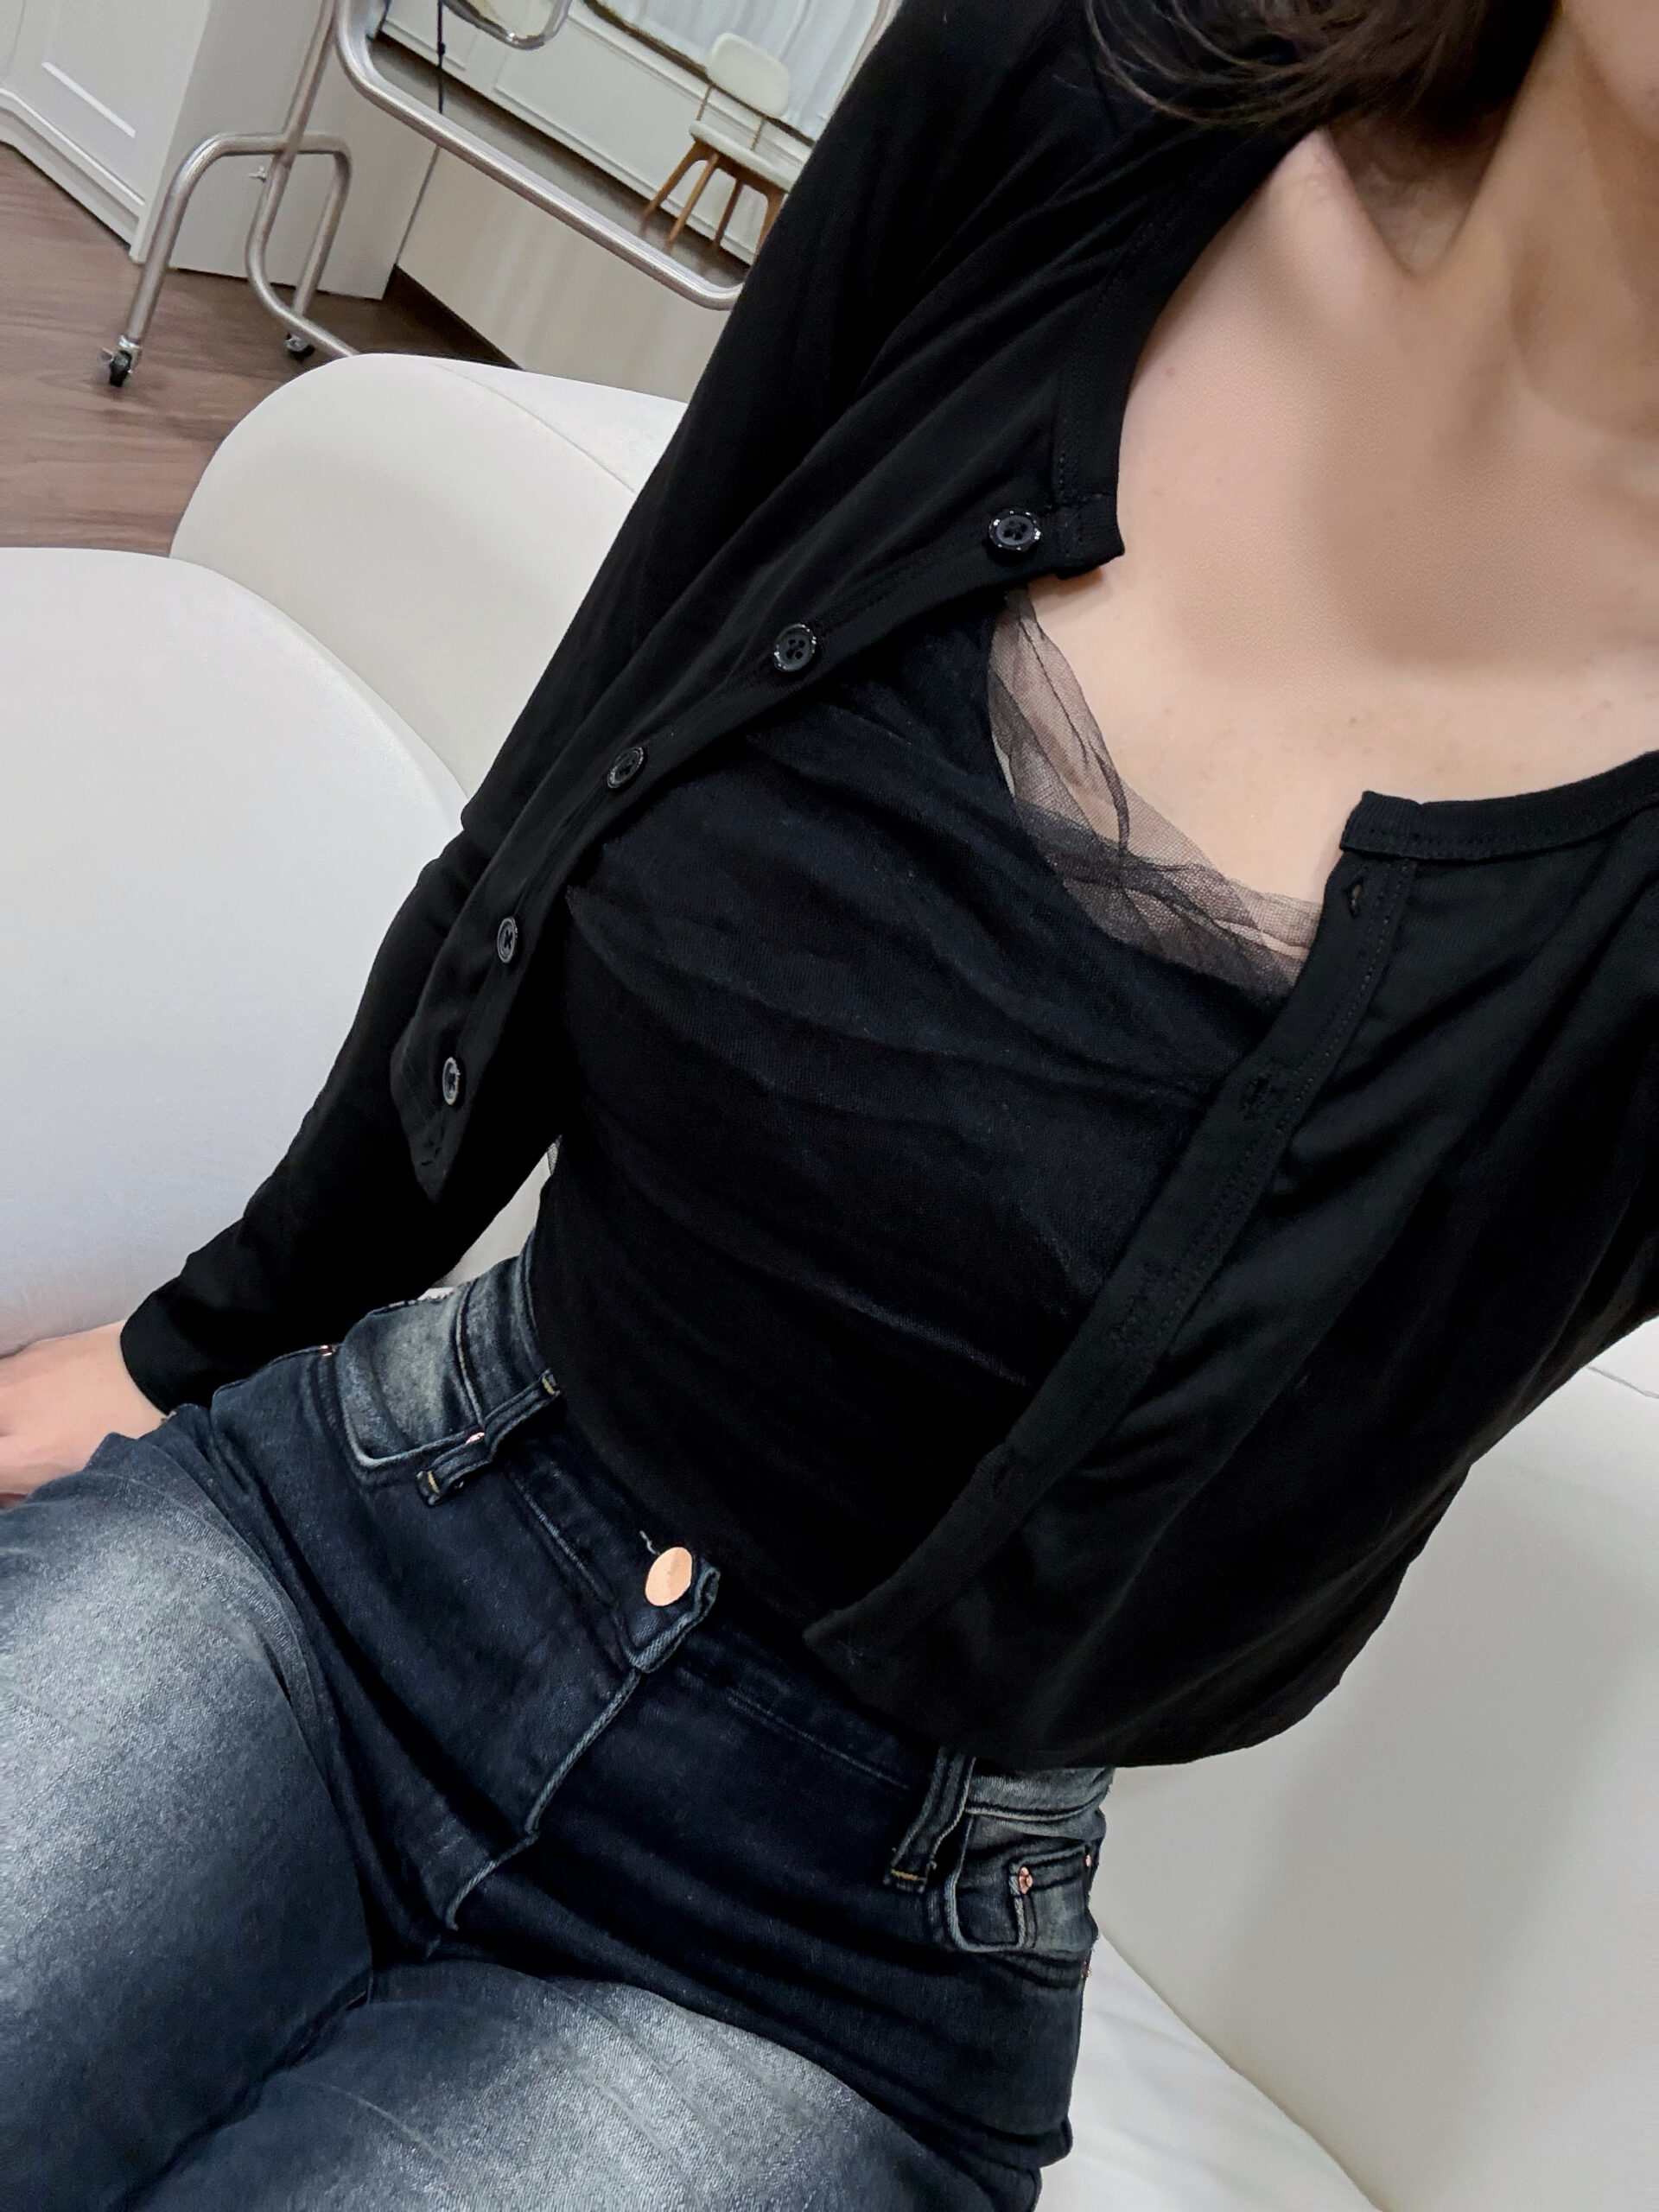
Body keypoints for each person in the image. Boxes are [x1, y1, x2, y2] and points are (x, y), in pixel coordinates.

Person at [3, 0, 1656, 2202]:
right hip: (382, 1513)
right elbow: (574, 774)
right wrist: (197, 1336)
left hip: (834, 1941)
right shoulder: (1071, 91)